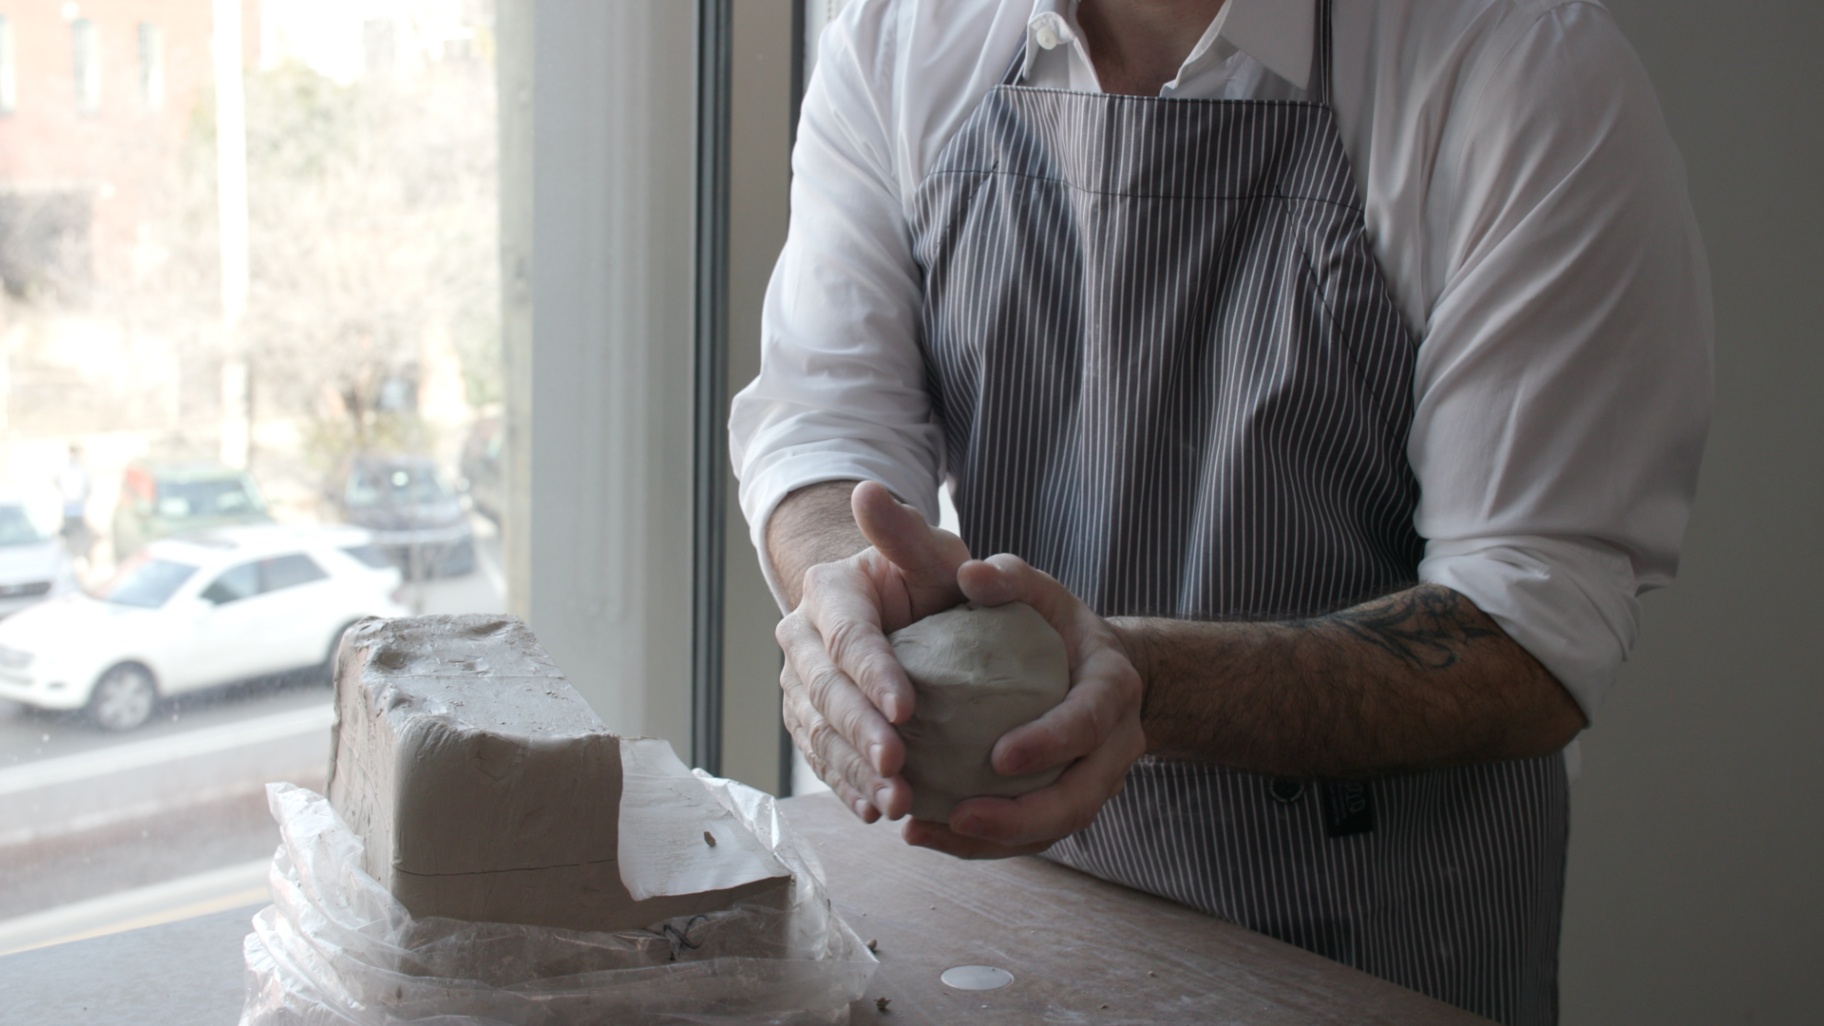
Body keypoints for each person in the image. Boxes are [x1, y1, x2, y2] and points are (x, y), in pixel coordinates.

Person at [728, 1, 1712, 1022]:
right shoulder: (902, 35)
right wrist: (848, 587)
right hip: (1012, 930)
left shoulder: (1519, 75)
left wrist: (1141, 684)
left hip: (1374, 954)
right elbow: (823, 426)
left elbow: (1528, 627)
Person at [57, 443, 92, 563]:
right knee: (73, 534)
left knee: (76, 534)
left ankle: (79, 557)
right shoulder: (72, 469)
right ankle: (76, 557)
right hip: (72, 506)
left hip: (75, 507)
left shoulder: (77, 469)